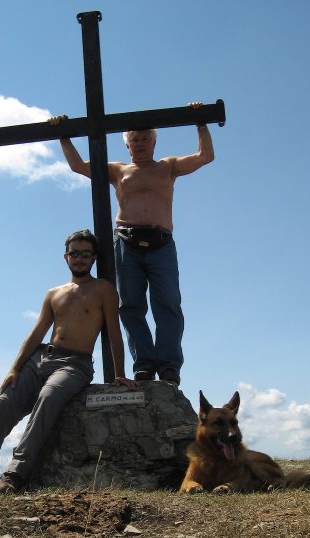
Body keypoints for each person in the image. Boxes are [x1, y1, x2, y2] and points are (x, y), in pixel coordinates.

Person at [0, 229, 136, 497]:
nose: (80, 259)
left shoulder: (104, 290)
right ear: (66, 257)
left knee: (48, 398)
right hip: (41, 357)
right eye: (75, 254)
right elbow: (36, 333)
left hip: (75, 364)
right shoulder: (53, 293)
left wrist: (120, 374)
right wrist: (14, 368)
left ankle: (14, 474)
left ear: (93, 258)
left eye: (85, 254)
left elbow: (114, 334)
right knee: (1, 407)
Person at [52, 103, 214, 385]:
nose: (139, 144)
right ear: (127, 146)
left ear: (154, 142)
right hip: (127, 241)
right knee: (131, 306)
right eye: (134, 140)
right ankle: (143, 364)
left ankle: (169, 367)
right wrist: (63, 135)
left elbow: (205, 156)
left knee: (169, 305)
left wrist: (201, 122)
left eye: (144, 139)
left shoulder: (169, 166)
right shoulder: (118, 170)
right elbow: (79, 166)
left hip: (162, 241)